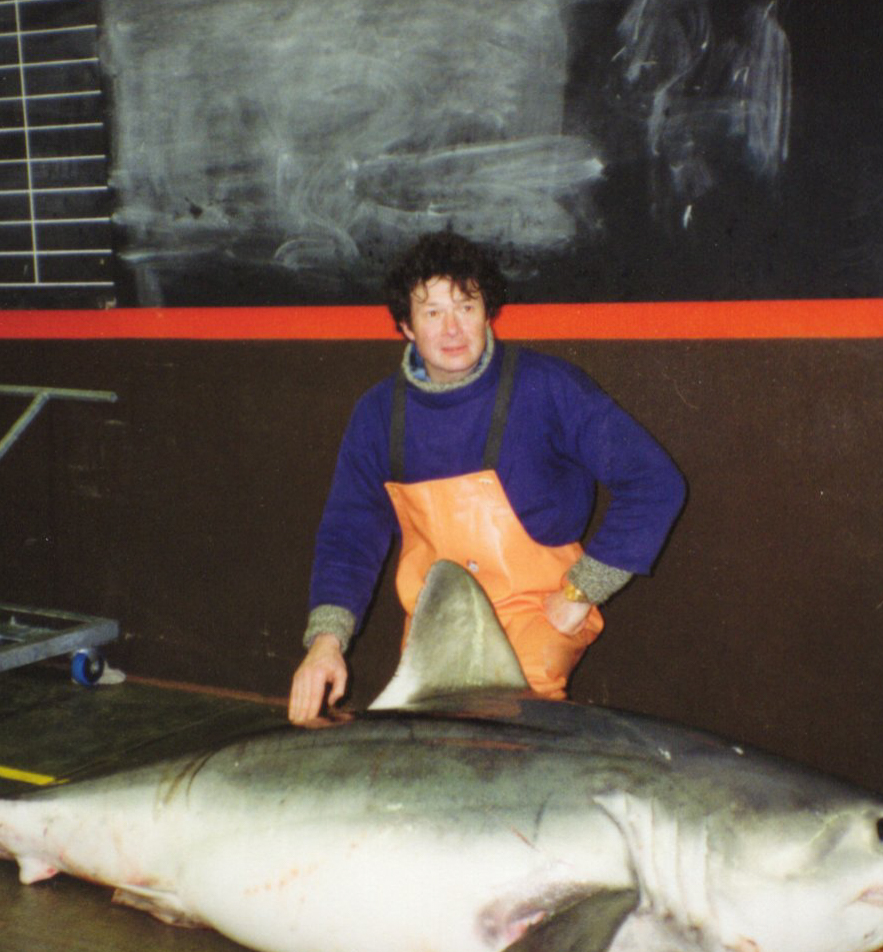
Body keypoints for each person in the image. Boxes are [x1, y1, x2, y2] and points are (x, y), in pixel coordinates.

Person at [288, 231, 685, 725]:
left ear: (488, 311)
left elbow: (655, 482)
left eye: (467, 306)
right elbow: (349, 535)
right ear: (406, 326)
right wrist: (325, 645)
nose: (453, 329)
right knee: (425, 744)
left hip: (536, 614)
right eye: (432, 312)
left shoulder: (547, 386)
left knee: (506, 739)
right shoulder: (376, 414)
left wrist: (581, 592)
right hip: (438, 626)